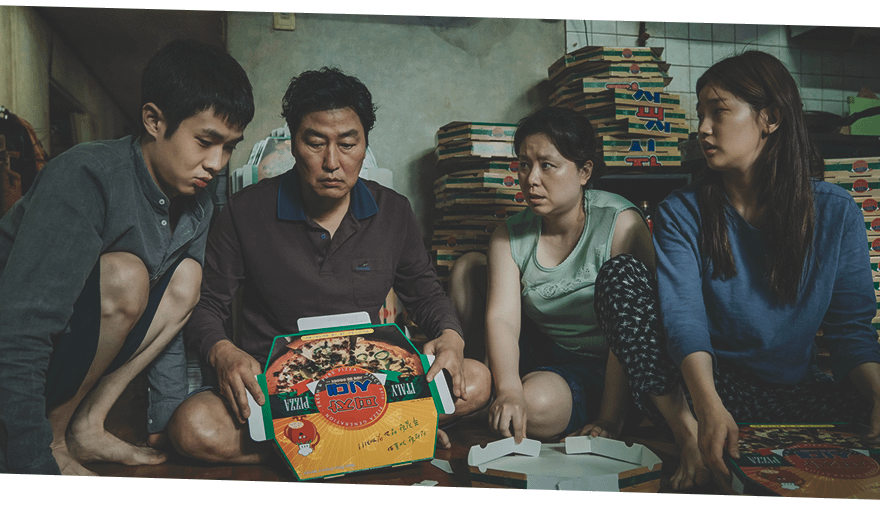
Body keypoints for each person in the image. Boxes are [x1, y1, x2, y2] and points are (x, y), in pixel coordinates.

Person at [168, 67, 489, 462]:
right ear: (294, 143)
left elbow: (426, 295)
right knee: (193, 426)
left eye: (348, 144)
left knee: (476, 379)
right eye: (316, 143)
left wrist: (451, 336)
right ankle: (382, 438)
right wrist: (223, 352)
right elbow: (207, 305)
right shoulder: (244, 211)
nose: (332, 162)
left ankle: (313, 446)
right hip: (281, 389)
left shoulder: (394, 212)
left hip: (369, 382)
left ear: (365, 144)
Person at [599, 50, 880, 491]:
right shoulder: (681, 212)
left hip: (794, 395)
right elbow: (684, 321)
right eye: (701, 114)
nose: (703, 128)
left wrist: (878, 394)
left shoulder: (836, 212)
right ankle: (689, 435)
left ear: (770, 118)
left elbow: (851, 332)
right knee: (620, 276)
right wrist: (706, 407)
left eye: (719, 112)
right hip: (704, 390)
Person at [0, 39, 254, 475]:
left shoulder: (199, 204)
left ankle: (85, 427)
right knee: (126, 275)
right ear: (154, 120)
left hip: (63, 358)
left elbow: (173, 324)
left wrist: (165, 422)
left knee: (187, 279)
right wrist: (31, 464)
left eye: (229, 147)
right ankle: (55, 439)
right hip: (14, 358)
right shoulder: (85, 175)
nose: (216, 162)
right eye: (205, 141)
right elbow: (20, 329)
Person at [451, 107, 653, 444]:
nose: (531, 179)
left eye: (547, 165)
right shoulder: (509, 234)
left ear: (584, 171)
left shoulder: (620, 224)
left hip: (606, 366)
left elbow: (638, 328)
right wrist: (509, 389)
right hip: (542, 348)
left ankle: (507, 402)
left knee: (532, 407)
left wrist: (610, 419)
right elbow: (503, 320)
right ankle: (486, 390)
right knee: (468, 267)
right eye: (524, 164)